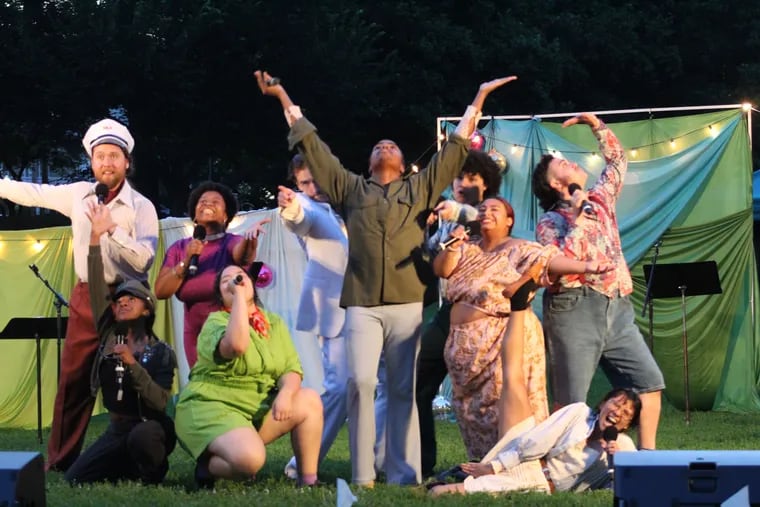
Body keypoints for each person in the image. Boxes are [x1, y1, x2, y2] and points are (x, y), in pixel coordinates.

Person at [256, 69, 517, 486]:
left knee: (400, 390)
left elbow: (454, 147)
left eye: (391, 144)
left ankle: (403, 473)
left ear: (399, 160)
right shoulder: (351, 190)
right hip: (361, 303)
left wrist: (479, 98)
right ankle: (362, 475)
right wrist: (283, 95)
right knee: (359, 383)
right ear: (371, 161)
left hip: (407, 301)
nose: (385, 146)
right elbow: (313, 147)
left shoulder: (420, 188)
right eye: (379, 145)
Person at [0, 118, 158, 472]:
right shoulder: (78, 194)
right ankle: (59, 460)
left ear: (127, 161)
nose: (107, 163)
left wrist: (111, 229)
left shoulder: (142, 207)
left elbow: (145, 260)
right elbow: (33, 192)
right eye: (100, 155)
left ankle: (135, 456)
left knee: (128, 377)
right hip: (88, 295)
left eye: (114, 156)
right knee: (73, 380)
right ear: (91, 161)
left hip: (128, 298)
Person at [432, 196, 612, 461]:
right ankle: (482, 464)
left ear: (509, 221)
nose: (486, 212)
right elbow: (442, 271)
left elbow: (550, 262)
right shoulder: (468, 249)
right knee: (471, 409)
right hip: (462, 346)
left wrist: (585, 267)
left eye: (495, 209)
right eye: (482, 209)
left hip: (501, 341)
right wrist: (452, 247)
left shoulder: (520, 248)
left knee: (503, 403)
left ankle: (513, 464)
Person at [532, 112, 665, 450]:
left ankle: (647, 461)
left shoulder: (601, 198)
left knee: (649, 383)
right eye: (558, 164)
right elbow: (559, 262)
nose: (567, 162)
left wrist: (595, 124)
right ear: (554, 184)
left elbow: (618, 161)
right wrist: (577, 216)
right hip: (574, 308)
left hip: (616, 307)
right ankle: (568, 466)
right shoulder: (549, 221)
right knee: (572, 401)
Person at [277, 154, 387, 478]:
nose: (312, 188)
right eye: (303, 183)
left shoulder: (354, 203)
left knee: (386, 383)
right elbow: (299, 217)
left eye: (315, 179)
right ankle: (302, 465)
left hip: (375, 306)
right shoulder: (309, 208)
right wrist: (291, 205)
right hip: (335, 309)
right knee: (339, 387)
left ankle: (377, 461)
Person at [174, 265, 323, 488]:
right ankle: (208, 466)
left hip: (252, 408)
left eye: (239, 277)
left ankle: (308, 480)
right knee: (250, 461)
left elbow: (291, 367)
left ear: (253, 284)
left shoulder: (273, 322)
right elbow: (237, 345)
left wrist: (286, 393)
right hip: (211, 407)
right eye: (225, 281)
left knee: (309, 399)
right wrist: (239, 301)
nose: (233, 281)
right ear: (221, 296)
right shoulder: (216, 322)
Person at [64, 202, 176, 484]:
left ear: (147, 309)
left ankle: (153, 471)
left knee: (144, 437)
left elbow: (160, 402)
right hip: (117, 429)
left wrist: (132, 364)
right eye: (119, 301)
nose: (122, 302)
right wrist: (94, 238)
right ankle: (127, 464)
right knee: (76, 478)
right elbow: (97, 286)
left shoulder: (161, 352)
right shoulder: (109, 334)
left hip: (149, 427)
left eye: (131, 300)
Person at [417, 149, 503, 477]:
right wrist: (426, 231)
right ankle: (421, 463)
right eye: (458, 177)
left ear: (487, 183)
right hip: (448, 314)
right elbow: (434, 263)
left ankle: (497, 463)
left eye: (471, 178)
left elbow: (478, 216)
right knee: (418, 382)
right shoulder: (447, 217)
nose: (462, 183)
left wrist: (459, 211)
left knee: (489, 394)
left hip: (486, 316)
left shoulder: (495, 210)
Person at [154, 181, 268, 367]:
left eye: (216, 202)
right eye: (203, 201)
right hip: (195, 336)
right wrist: (186, 260)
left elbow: (244, 256)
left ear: (226, 216)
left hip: (230, 330)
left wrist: (250, 240)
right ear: (194, 214)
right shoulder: (180, 248)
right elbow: (160, 291)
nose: (207, 204)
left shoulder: (231, 242)